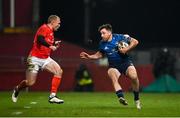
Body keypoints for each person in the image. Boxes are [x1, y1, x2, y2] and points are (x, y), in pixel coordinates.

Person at [80, 24, 141, 109]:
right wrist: (89, 56)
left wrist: (126, 49)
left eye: (103, 33)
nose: (102, 35)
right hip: (113, 66)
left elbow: (135, 42)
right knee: (113, 77)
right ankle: (121, 97)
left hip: (126, 63)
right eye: (101, 33)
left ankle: (137, 99)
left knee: (134, 77)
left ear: (109, 32)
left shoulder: (121, 37)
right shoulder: (102, 43)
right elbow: (99, 54)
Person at [12, 15, 64, 104]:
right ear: (53, 22)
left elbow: (46, 41)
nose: (59, 24)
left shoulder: (51, 31)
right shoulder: (44, 27)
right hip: (34, 58)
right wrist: (51, 46)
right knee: (30, 83)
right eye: (58, 22)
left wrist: (54, 43)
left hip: (45, 58)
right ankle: (17, 88)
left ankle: (52, 96)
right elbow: (40, 39)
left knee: (59, 71)